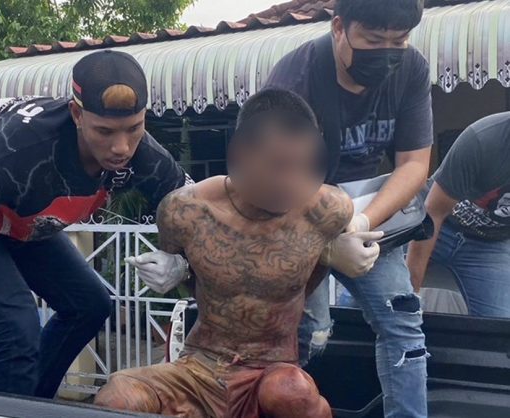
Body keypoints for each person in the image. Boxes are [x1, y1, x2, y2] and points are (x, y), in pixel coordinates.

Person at [131, 1, 433, 416]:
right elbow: (266, 177)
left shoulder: (411, 69)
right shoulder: (295, 78)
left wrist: (359, 222)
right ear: (339, 28)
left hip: (365, 208)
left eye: (398, 41)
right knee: (305, 333)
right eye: (373, 39)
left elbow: (414, 163)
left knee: (402, 320)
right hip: (291, 211)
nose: (387, 52)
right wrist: (319, 248)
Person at [0, 50, 192, 398]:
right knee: (16, 327)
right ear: (77, 114)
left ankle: (30, 400)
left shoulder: (146, 156)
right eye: (104, 131)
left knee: (88, 304)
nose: (121, 147)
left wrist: (181, 261)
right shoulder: (16, 147)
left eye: (134, 128)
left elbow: (197, 208)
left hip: (15, 212)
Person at [96, 89, 355, 418]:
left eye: (302, 166)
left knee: (292, 393)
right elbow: (190, 278)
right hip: (200, 368)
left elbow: (311, 278)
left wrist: (342, 252)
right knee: (120, 395)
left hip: (270, 369)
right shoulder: (185, 210)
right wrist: (179, 269)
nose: (291, 182)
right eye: (278, 166)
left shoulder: (328, 210)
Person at [407, 112, 510, 318]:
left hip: (489, 245)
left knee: (501, 325)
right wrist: (409, 296)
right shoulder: (483, 138)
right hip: (435, 225)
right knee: (376, 288)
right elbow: (433, 214)